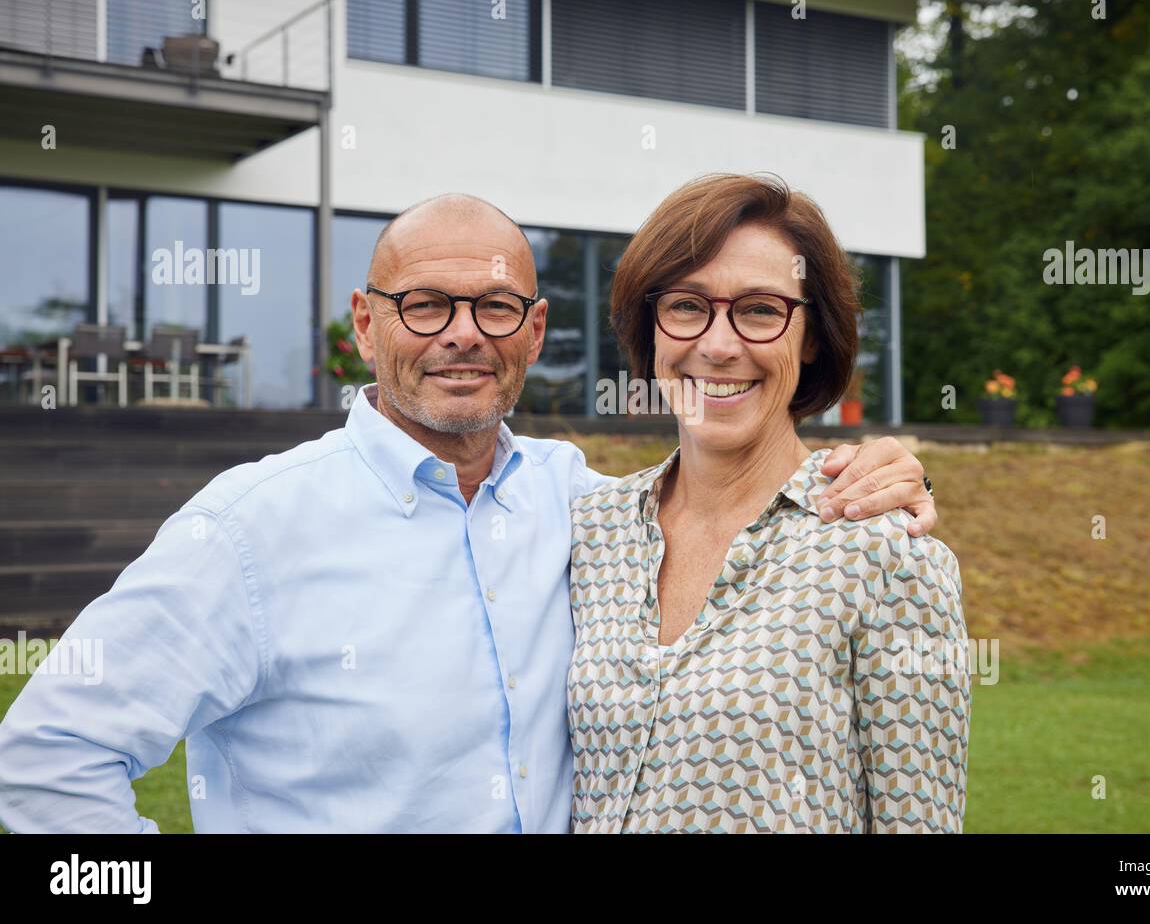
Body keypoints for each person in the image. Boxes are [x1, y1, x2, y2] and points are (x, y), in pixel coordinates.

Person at [0, 193, 937, 833]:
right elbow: (45, 758)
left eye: (495, 306)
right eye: (425, 305)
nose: (462, 334)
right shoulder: (249, 529)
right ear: (365, 323)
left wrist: (883, 472)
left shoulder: (585, 509)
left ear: (534, 330)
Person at [569, 174, 969, 832]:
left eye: (759, 310)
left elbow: (919, 820)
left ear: (811, 337)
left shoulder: (886, 555)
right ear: (651, 326)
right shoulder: (588, 531)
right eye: (687, 305)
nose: (719, 345)